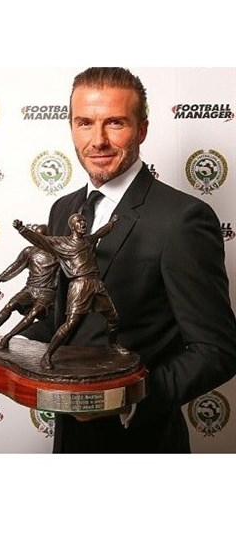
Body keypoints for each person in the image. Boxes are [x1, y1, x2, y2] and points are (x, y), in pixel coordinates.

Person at [22, 67, 236, 452]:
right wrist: (11, 347)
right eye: (85, 123)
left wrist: (126, 400)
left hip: (144, 443)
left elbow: (216, 351)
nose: (98, 140)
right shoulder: (63, 209)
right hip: (68, 443)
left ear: (142, 130)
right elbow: (63, 321)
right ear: (71, 128)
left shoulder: (182, 219)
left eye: (115, 123)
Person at [13, 214, 123, 369]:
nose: (83, 224)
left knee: (113, 317)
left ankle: (112, 345)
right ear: (72, 226)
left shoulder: (89, 240)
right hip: (79, 285)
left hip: (96, 283)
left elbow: (101, 232)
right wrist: (23, 229)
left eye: (84, 221)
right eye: (79, 222)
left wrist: (112, 223)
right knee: (71, 323)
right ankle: (48, 355)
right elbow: (41, 240)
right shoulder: (63, 243)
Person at [0, 224, 58, 352]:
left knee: (33, 314)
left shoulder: (57, 253)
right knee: (10, 306)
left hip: (47, 292)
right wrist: (0, 278)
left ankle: (8, 337)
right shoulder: (29, 252)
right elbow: (15, 266)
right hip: (30, 288)